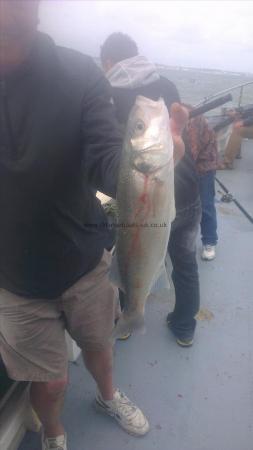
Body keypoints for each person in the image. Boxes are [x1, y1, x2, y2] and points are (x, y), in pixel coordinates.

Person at [0, 3, 150, 450]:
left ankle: (107, 397)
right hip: (13, 280)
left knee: (101, 348)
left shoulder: (79, 72)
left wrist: (146, 166)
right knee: (49, 383)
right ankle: (55, 434)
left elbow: (107, 164)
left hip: (84, 261)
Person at [100, 32, 201, 348]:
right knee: (184, 261)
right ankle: (184, 326)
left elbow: (113, 153)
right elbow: (176, 132)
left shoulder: (109, 92)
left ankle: (128, 319)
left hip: (142, 199)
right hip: (187, 192)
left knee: (129, 250)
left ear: (108, 61)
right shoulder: (167, 84)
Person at [185, 113, 218, 260]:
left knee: (205, 205)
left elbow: (192, 151)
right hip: (186, 165)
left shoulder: (193, 121)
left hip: (204, 167)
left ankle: (209, 241)